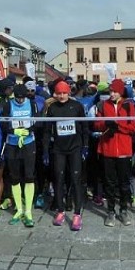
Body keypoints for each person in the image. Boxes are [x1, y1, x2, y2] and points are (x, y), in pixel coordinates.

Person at [44, 80, 90, 231]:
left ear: (69, 93)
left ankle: (77, 214)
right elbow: (47, 130)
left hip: (75, 148)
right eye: (59, 93)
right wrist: (45, 150)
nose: (62, 96)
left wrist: (85, 146)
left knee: (76, 180)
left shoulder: (77, 106)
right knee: (59, 179)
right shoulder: (52, 108)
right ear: (55, 94)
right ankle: (61, 211)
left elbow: (84, 127)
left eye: (64, 93)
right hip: (58, 149)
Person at [94, 79, 135, 226]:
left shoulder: (128, 105)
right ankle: (111, 211)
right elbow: (97, 124)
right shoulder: (103, 105)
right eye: (110, 91)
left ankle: (124, 210)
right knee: (109, 183)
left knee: (124, 183)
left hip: (124, 150)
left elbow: (133, 127)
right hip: (108, 149)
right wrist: (106, 124)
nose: (111, 94)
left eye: (114, 91)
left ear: (121, 92)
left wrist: (118, 125)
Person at [0, 83, 40, 227]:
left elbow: (39, 122)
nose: (20, 100)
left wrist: (29, 131)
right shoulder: (8, 105)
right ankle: (19, 209)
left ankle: (28, 211)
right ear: (14, 96)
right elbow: (2, 124)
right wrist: (13, 131)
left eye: (23, 98)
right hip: (12, 144)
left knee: (29, 176)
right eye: (18, 98)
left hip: (28, 143)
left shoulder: (32, 104)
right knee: (14, 176)